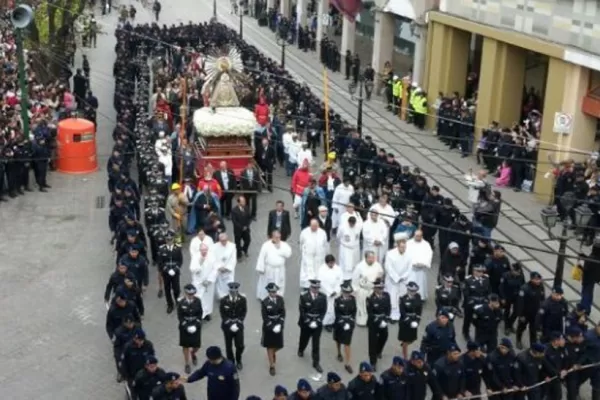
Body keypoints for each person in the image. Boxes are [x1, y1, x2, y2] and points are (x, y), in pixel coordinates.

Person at [298, 279, 327, 373]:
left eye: (317, 288)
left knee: (316, 343)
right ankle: (301, 349)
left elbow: (323, 311)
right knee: (304, 339)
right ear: (310, 287)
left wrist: (318, 321)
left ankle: (316, 362)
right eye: (314, 287)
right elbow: (302, 310)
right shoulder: (304, 296)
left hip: (317, 323)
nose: (316, 289)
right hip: (306, 322)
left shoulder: (323, 297)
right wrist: (308, 321)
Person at [255, 230, 293, 299]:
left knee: (279, 284)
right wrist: (261, 268)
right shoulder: (266, 245)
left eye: (279, 237)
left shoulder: (284, 245)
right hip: (269, 269)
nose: (278, 239)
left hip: (279, 270)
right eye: (276, 237)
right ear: (272, 237)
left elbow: (288, 254)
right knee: (267, 284)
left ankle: (278, 297)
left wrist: (280, 248)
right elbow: (261, 257)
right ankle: (265, 297)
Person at [219, 282, 248, 370]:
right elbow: (223, 314)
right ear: (229, 291)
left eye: (235, 291)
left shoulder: (242, 299)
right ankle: (231, 361)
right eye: (232, 291)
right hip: (227, 326)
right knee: (228, 346)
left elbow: (244, 312)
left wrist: (238, 323)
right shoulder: (224, 300)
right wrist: (229, 324)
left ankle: (238, 359)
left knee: (240, 345)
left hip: (238, 325)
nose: (234, 293)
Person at [384, 233, 412, 322]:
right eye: (402, 247)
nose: (403, 249)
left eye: (405, 247)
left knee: (400, 298)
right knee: (392, 298)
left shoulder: (408, 255)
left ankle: (400, 314)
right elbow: (388, 267)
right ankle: (391, 315)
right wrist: (396, 277)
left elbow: (409, 268)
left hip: (402, 281)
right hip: (392, 280)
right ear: (398, 246)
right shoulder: (390, 254)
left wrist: (403, 277)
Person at [352, 251, 385, 326]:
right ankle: (362, 321)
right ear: (366, 258)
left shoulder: (377, 265)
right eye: (370, 258)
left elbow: (381, 272)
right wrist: (356, 290)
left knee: (373, 306)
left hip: (374, 288)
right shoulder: (359, 266)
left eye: (373, 258)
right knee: (363, 306)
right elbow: (355, 279)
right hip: (363, 289)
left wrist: (380, 276)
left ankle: (373, 320)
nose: (372, 259)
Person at [261, 282, 286, 376]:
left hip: (278, 324)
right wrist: (272, 326)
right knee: (270, 346)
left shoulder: (280, 299)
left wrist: (280, 324)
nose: (274, 293)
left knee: (279, 345)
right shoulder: (265, 302)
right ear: (268, 292)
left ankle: (272, 353)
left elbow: (283, 313)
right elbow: (265, 317)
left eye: (275, 291)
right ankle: (272, 365)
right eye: (272, 292)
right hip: (269, 326)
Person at [177, 284, 204, 373]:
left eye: (193, 294)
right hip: (185, 326)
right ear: (186, 293)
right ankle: (187, 363)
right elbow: (180, 316)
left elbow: (200, 314)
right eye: (189, 294)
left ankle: (193, 353)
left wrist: (196, 325)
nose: (191, 296)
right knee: (185, 346)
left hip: (195, 325)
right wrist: (186, 326)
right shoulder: (181, 302)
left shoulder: (198, 301)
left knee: (197, 345)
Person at [516, 271, 545, 349]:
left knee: (533, 330)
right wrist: (520, 315)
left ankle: (533, 346)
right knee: (521, 328)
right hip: (525, 313)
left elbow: (542, 299)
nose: (538, 281)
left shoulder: (541, 286)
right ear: (532, 279)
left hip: (535, 313)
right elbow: (520, 303)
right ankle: (518, 340)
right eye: (536, 279)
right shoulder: (524, 288)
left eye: (539, 279)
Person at [366, 278, 391, 371]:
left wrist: (386, 319)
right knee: (372, 342)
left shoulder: (386, 296)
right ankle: (373, 362)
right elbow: (370, 313)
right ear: (375, 288)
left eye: (382, 288)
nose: (381, 290)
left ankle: (378, 351)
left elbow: (388, 308)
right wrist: (379, 321)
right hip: (373, 323)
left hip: (383, 320)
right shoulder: (370, 298)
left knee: (384, 336)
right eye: (379, 288)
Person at [157, 229, 184, 314]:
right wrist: (167, 270)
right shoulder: (161, 249)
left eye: (171, 239)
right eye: (167, 239)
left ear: (173, 239)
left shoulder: (177, 248)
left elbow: (180, 261)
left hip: (175, 272)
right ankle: (170, 305)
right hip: (166, 273)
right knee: (167, 289)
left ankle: (177, 300)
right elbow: (160, 262)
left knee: (176, 288)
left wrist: (175, 269)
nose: (169, 241)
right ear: (165, 240)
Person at [299, 219, 329, 290]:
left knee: (318, 271)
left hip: (319, 257)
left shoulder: (322, 233)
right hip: (308, 257)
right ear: (310, 225)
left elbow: (325, 244)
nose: (314, 228)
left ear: (318, 225)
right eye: (312, 226)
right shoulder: (304, 232)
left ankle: (318, 286)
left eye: (315, 226)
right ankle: (306, 287)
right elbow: (301, 243)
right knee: (308, 272)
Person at [190, 244, 217, 320]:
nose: (204, 252)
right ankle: (199, 315)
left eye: (205, 250)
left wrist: (209, 280)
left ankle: (207, 313)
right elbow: (193, 269)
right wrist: (200, 263)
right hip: (199, 282)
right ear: (200, 250)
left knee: (208, 299)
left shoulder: (212, 256)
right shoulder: (195, 257)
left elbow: (215, 269)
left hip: (208, 283)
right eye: (202, 250)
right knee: (199, 299)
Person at [317, 254, 344, 331]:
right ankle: (327, 323)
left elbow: (340, 280)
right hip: (326, 293)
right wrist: (330, 292)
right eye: (330, 263)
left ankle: (334, 322)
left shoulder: (338, 268)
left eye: (333, 263)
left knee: (336, 307)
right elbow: (322, 283)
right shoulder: (322, 270)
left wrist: (336, 290)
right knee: (328, 308)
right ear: (327, 263)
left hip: (336, 291)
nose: (332, 265)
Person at [398, 282, 423, 359]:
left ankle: (404, 344)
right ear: (408, 290)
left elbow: (419, 310)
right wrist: (409, 322)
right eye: (411, 291)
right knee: (405, 340)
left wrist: (418, 320)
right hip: (405, 322)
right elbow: (402, 312)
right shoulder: (403, 298)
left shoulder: (418, 297)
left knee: (413, 338)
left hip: (414, 320)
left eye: (415, 291)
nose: (413, 292)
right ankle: (405, 357)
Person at [406, 230, 433, 300]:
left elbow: (429, 255)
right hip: (411, 268)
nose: (417, 237)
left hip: (421, 268)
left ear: (422, 236)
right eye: (416, 236)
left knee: (421, 283)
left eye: (419, 236)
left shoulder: (426, 244)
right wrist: (413, 263)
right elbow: (406, 255)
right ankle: (409, 295)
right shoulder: (408, 243)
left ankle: (421, 297)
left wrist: (423, 263)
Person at [212, 233, 237, 301]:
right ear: (219, 240)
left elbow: (233, 259)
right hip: (219, 270)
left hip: (228, 270)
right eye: (222, 241)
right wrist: (219, 267)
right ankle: (221, 297)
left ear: (227, 239)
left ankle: (230, 296)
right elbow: (213, 258)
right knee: (220, 284)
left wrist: (227, 268)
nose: (224, 242)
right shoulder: (214, 247)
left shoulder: (232, 246)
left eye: (225, 240)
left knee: (229, 283)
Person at [337, 216, 362, 281]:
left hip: (355, 248)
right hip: (346, 248)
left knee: (354, 263)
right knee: (345, 263)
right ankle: (344, 278)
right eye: (351, 224)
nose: (352, 225)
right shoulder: (342, 227)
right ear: (348, 222)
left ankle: (354, 277)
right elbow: (338, 236)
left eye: (353, 224)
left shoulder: (358, 227)